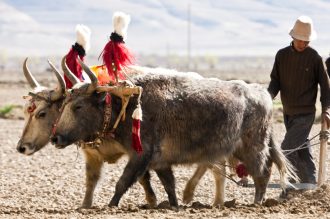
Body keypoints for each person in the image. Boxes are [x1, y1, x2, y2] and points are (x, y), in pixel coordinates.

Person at [268, 15, 330, 184]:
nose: (303, 43)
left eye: (306, 41)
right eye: (300, 40)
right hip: (288, 112)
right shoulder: (281, 56)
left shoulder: (315, 58)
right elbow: (275, 81)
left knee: (286, 149)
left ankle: (290, 186)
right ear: (293, 37)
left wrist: (326, 110)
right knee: (301, 149)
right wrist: (267, 99)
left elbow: (326, 87)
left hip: (306, 113)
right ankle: (309, 183)